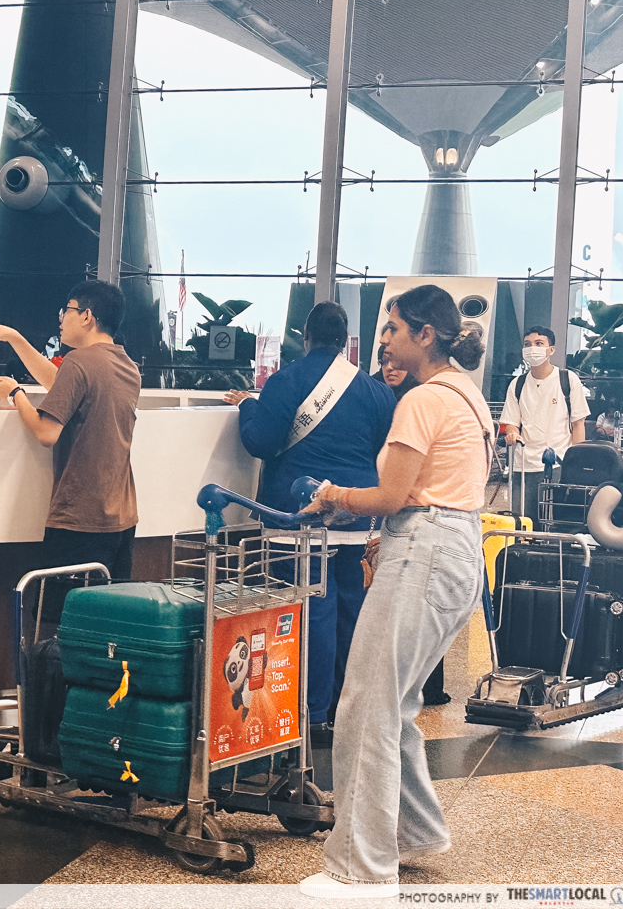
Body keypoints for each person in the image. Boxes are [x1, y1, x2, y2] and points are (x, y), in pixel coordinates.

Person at [298, 284, 492, 899]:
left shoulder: (422, 400)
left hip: (426, 549)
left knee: (365, 704)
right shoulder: (468, 394)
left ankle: (362, 868)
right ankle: (412, 831)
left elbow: (390, 496)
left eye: (391, 328)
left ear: (424, 335)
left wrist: (334, 496)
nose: (382, 339)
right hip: (457, 549)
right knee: (397, 702)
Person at [221, 302, 396, 743]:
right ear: (345, 339)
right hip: (357, 517)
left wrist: (247, 407)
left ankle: (313, 712)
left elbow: (261, 441)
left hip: (297, 518)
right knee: (350, 611)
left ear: (305, 335)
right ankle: (345, 707)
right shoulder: (375, 391)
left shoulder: (287, 381)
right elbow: (380, 448)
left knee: (311, 610)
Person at [0, 280, 142, 578]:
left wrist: (15, 393)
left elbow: (46, 433)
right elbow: (58, 383)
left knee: (64, 618)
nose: (62, 318)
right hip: (122, 519)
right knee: (106, 619)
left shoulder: (79, 362)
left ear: (87, 316)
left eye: (68, 311)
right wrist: (13, 337)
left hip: (80, 518)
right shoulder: (126, 364)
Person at [372, 342, 448, 707]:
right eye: (384, 362)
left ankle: (427, 688)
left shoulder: (420, 401)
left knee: (420, 612)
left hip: (415, 519)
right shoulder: (376, 396)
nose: (390, 368)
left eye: (395, 362)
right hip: (394, 518)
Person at [500, 325, 589, 521]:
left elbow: (578, 425)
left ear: (551, 350)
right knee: (523, 521)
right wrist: (513, 433)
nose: (533, 348)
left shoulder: (567, 380)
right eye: (527, 344)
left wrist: (576, 466)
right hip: (523, 466)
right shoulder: (517, 384)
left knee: (553, 521)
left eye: (539, 343)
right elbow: (511, 422)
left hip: (557, 465)